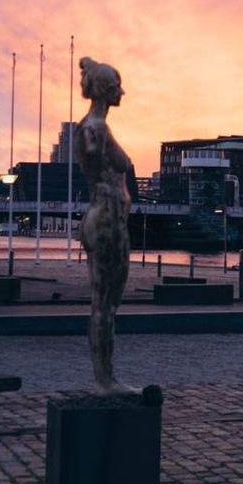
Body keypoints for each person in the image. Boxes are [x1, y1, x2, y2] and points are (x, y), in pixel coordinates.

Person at [75, 57, 136, 395]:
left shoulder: (95, 127)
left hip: (110, 216)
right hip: (107, 217)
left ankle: (106, 377)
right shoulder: (94, 128)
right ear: (103, 88)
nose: (121, 92)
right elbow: (99, 164)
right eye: (116, 85)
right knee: (105, 304)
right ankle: (105, 380)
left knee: (106, 303)